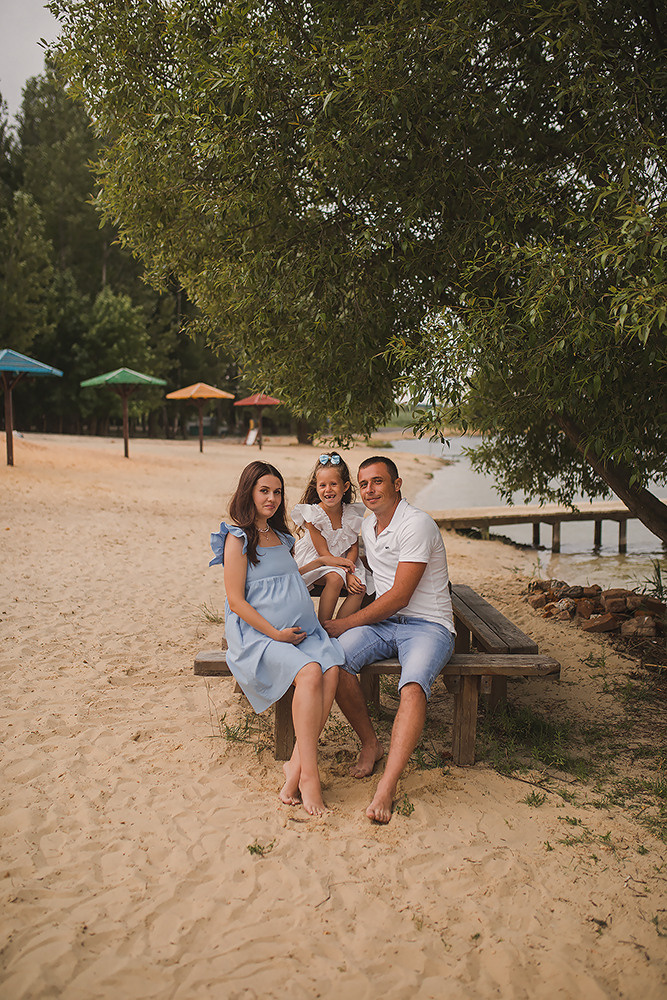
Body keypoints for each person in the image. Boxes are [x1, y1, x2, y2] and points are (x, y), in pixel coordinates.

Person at [324, 456, 456, 824]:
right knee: (335, 662)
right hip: (386, 624)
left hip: (429, 625)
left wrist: (344, 622)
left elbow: (399, 596)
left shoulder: (417, 525)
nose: (370, 490)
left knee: (411, 686)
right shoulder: (369, 526)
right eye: (364, 484)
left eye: (378, 482)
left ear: (397, 485)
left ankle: (389, 783)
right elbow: (359, 566)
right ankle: (371, 743)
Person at [210, 461, 343, 816]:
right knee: (311, 672)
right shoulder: (236, 539)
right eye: (264, 491)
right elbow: (237, 601)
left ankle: (296, 768)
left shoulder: (282, 537)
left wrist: (324, 563)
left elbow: (286, 577)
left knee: (331, 669)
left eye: (277, 491)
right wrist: (277, 635)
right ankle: (310, 777)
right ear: (248, 493)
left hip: (299, 633)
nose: (271, 498)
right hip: (259, 636)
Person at [291, 451, 369, 624]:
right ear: (316, 488)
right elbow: (324, 554)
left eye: (333, 484)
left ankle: (337, 628)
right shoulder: (314, 515)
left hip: (344, 563)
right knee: (335, 578)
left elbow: (353, 547)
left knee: (360, 587)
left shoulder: (350, 513)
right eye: (323, 485)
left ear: (345, 486)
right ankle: (323, 626)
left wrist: (350, 573)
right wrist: (345, 574)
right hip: (317, 561)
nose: (328, 490)